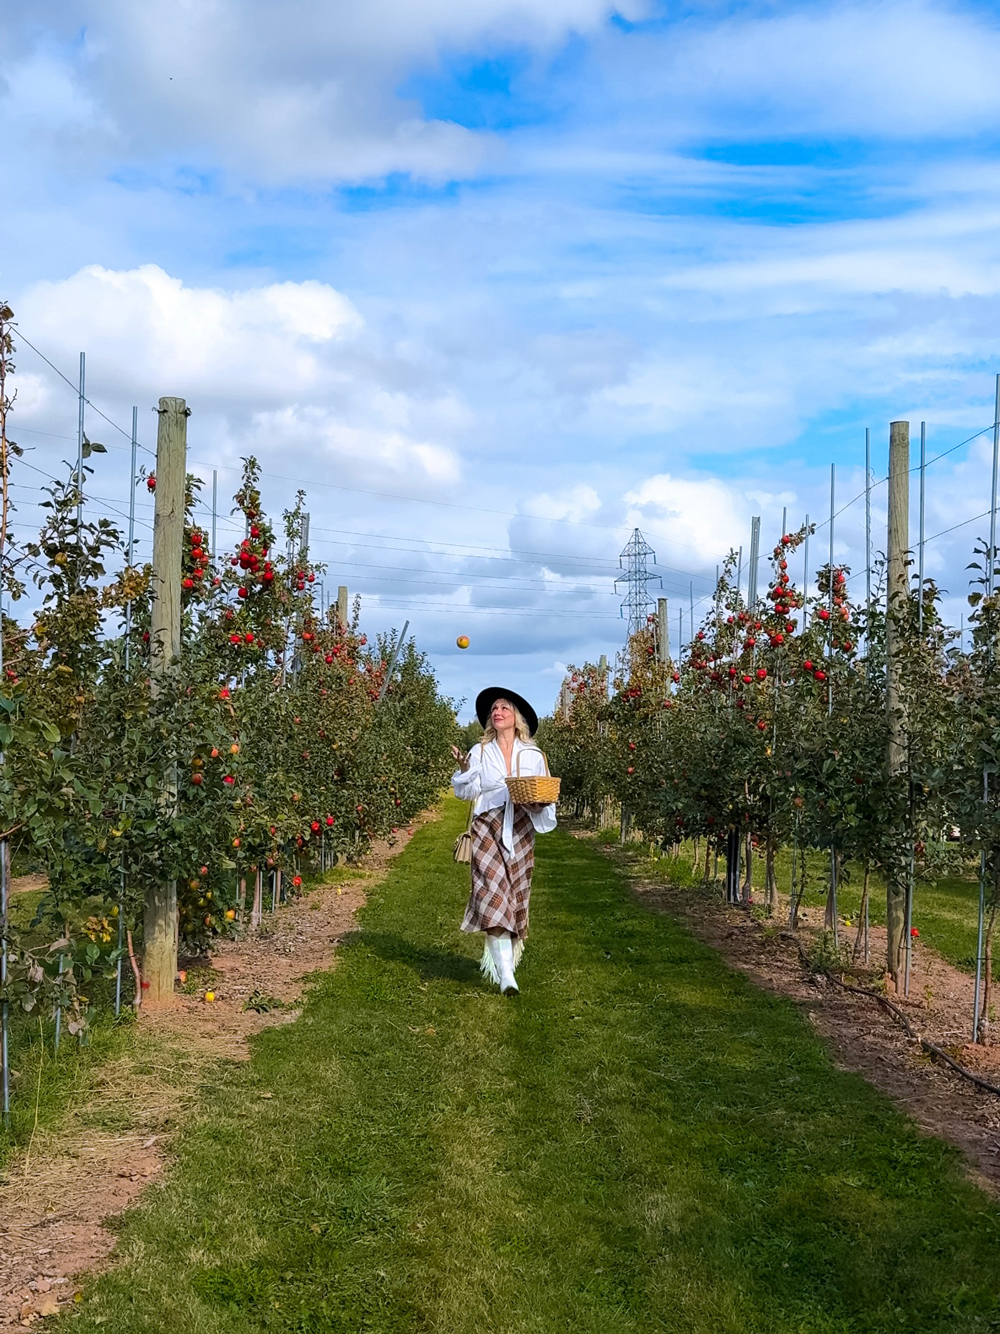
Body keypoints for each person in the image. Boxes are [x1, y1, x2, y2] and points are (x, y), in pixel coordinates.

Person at [451, 688, 556, 995]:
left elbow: (546, 797)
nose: (497, 712)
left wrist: (538, 804)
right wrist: (464, 769)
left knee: (515, 898)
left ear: (516, 718)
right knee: (492, 896)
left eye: (504, 709)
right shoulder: (481, 751)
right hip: (487, 828)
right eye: (494, 709)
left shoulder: (533, 755)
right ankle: (507, 977)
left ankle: (505, 962)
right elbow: (466, 793)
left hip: (521, 829)